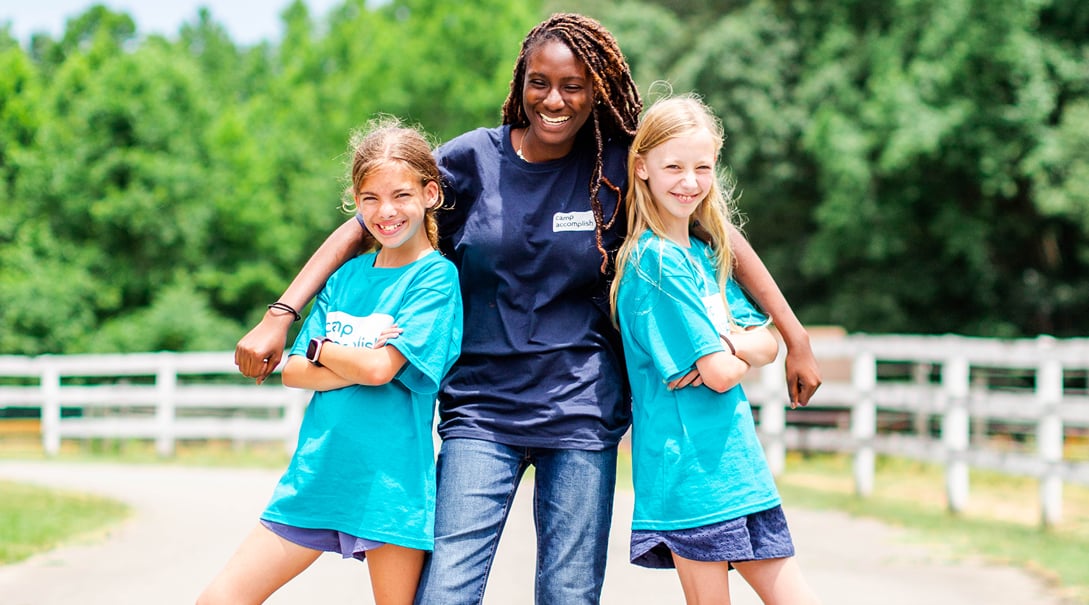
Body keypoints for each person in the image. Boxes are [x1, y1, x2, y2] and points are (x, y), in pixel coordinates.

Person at [234, 13, 821, 604]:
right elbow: (373, 212)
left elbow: (718, 233)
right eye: (540, 81)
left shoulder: (616, 165)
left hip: (581, 413)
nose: (555, 99)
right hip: (481, 413)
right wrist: (282, 314)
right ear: (520, 83)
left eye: (574, 85)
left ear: (597, 91)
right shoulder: (471, 161)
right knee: (445, 594)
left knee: (568, 595)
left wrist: (794, 336)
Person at [197, 119, 463, 605]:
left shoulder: (436, 279)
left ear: (430, 193)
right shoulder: (346, 277)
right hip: (317, 475)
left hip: (389, 487)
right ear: (355, 203)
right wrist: (347, 359)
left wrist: (321, 349)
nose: (386, 212)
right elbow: (293, 372)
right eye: (370, 199)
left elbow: (382, 370)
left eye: (401, 195)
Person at [611, 95, 820, 604]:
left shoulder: (704, 254)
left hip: (738, 471)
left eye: (702, 167)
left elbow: (766, 343)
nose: (689, 181)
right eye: (673, 166)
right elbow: (723, 373)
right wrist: (733, 346)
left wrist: (726, 342)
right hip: (692, 476)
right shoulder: (654, 262)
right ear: (642, 168)